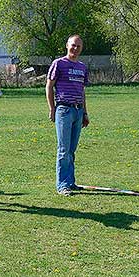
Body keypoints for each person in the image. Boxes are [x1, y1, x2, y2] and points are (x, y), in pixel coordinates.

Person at [46, 34, 90, 196]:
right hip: (63, 110)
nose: (75, 48)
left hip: (78, 111)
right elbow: (49, 87)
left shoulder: (82, 67)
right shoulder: (58, 64)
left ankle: (70, 182)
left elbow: (82, 91)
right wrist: (52, 108)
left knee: (72, 149)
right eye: (73, 45)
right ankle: (62, 185)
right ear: (67, 45)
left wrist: (85, 112)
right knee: (63, 149)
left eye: (78, 46)